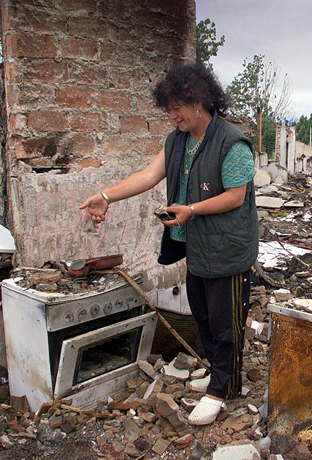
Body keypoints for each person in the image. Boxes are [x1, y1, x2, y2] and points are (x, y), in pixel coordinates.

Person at [80, 62, 258, 426]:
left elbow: (236, 197)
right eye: (169, 108)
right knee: (205, 317)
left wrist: (191, 209)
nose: (173, 115)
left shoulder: (231, 142)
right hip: (198, 247)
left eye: (177, 107)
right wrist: (105, 196)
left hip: (228, 246)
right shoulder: (177, 140)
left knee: (227, 323)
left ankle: (222, 390)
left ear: (199, 101)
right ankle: (220, 376)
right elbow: (147, 175)